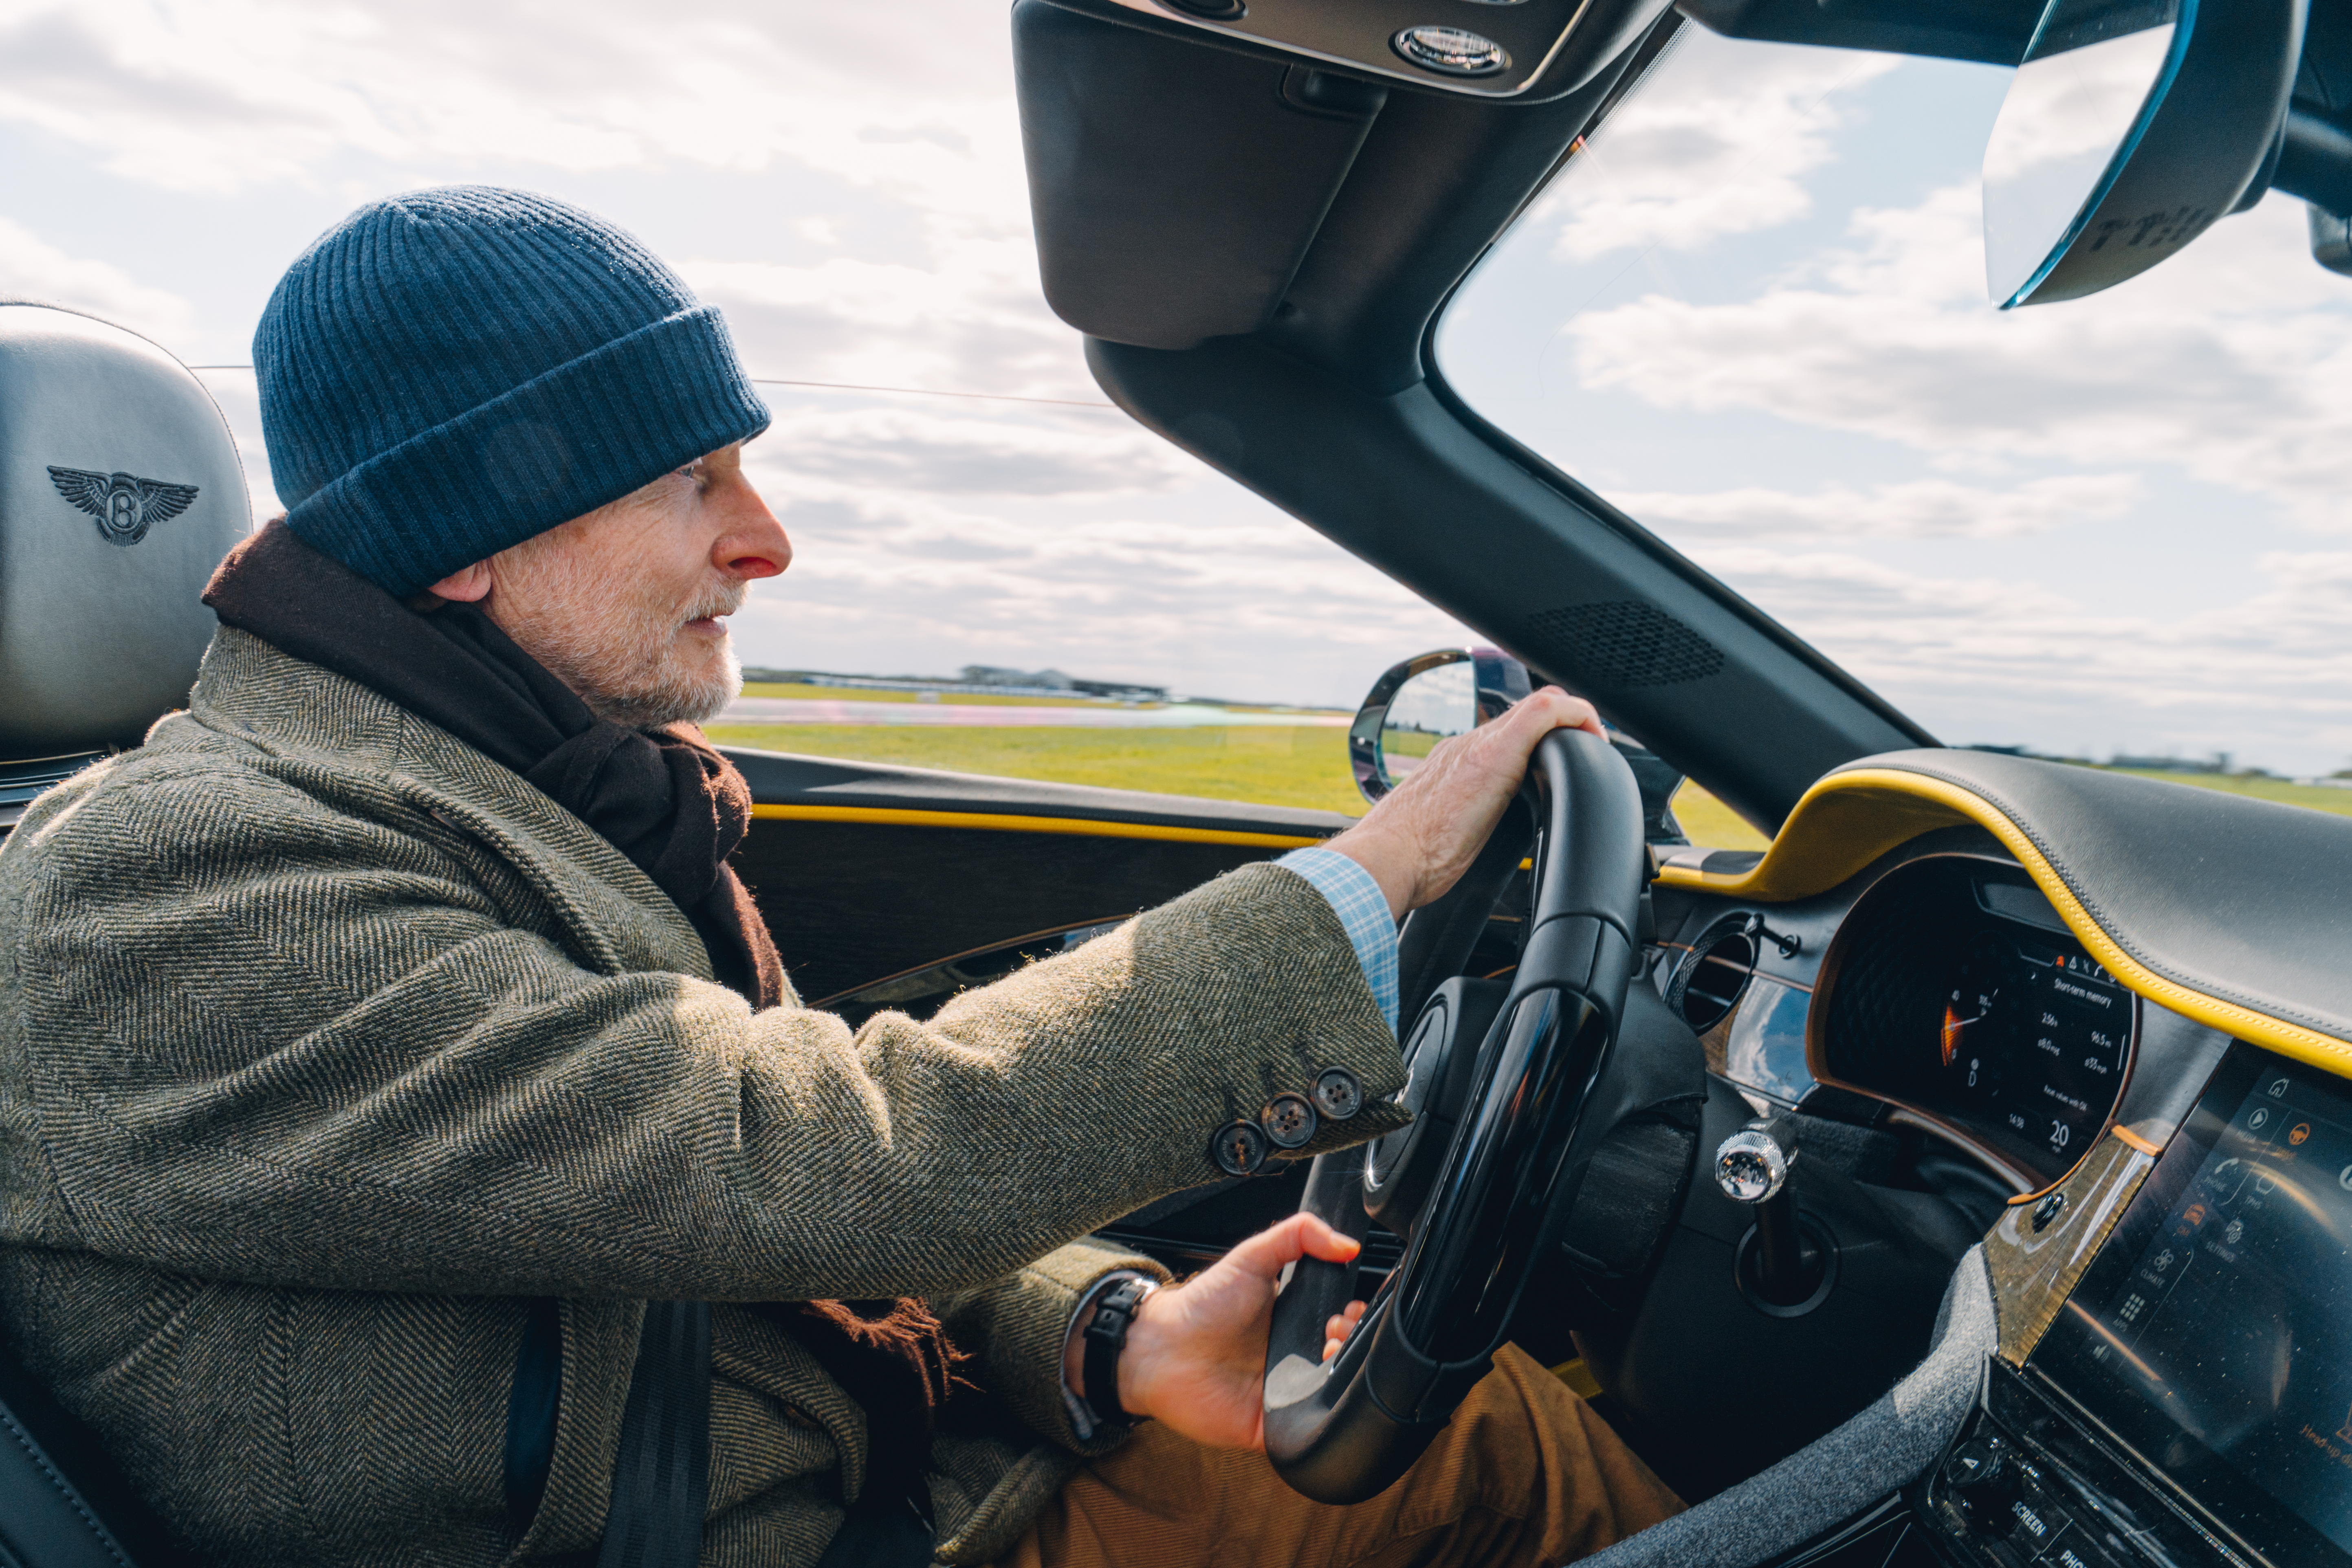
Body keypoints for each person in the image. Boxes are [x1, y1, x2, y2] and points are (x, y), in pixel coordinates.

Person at [0, 187, 1679, 1568]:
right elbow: (801, 1154)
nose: (767, 539)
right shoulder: (167, 884)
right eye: (690, 480)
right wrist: (1361, 892)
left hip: (842, 1480)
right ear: (465, 537)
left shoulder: (512, 793)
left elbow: (707, 1199)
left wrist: (1107, 1334)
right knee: (1475, 1451)